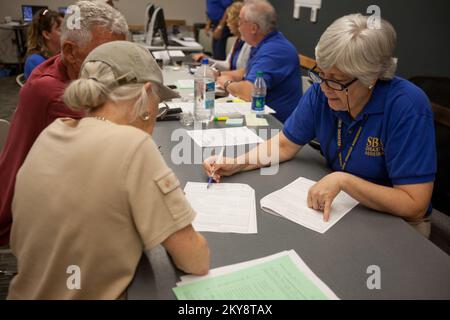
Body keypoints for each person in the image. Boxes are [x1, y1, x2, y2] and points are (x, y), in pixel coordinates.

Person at [8, 41, 210, 300]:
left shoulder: (53, 131)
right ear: (147, 92)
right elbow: (196, 260)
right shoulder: (134, 146)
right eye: (157, 103)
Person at [204, 14, 436, 238]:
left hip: (398, 225)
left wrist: (344, 181)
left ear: (371, 77)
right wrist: (237, 163)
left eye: (337, 80)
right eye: (321, 74)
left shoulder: (407, 106)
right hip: (342, 206)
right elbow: (284, 145)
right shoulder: (321, 92)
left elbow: (414, 203)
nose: (324, 88)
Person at [0, 0, 128, 247]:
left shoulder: (66, 67)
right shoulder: (55, 93)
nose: (117, 67)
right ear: (69, 51)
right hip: (28, 213)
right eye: (106, 56)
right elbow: (118, 141)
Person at [216, 0, 301, 123]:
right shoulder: (265, 44)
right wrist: (217, 75)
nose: (238, 25)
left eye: (240, 21)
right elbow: (247, 72)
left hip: (275, 125)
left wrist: (226, 83)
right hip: (260, 118)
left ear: (254, 28)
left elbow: (249, 92)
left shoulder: (275, 50)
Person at [193, 1, 250, 71]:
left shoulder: (249, 44)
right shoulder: (238, 40)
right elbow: (227, 65)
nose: (228, 23)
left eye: (229, 20)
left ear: (238, 21)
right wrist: (207, 59)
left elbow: (242, 73)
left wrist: (220, 74)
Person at [24, 9, 63, 79]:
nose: (67, 33)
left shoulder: (59, 54)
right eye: (61, 30)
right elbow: (50, 88)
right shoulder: (35, 61)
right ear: (46, 34)